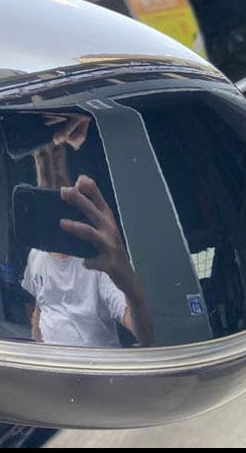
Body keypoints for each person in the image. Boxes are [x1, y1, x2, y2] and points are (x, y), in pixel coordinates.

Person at [21, 116, 154, 347]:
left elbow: (145, 336)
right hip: (48, 366)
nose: (50, 177)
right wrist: (36, 339)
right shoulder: (36, 255)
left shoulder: (98, 260)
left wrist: (127, 278)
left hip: (95, 369)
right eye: (42, 163)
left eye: (57, 162)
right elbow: (41, 306)